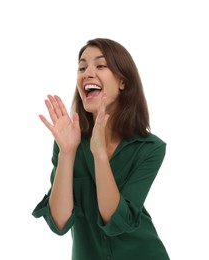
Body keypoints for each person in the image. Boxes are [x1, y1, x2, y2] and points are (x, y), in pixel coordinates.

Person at [32, 38, 170, 260]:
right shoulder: (68, 142)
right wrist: (67, 153)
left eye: (100, 65)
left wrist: (99, 155)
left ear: (123, 82)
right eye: (82, 67)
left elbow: (115, 220)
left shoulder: (150, 148)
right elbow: (59, 223)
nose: (87, 73)